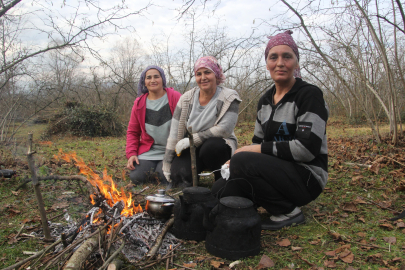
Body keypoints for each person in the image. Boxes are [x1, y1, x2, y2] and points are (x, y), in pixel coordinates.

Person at [212, 30, 329, 230]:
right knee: (219, 189)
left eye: (287, 56)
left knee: (243, 159)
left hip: (307, 177)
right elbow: (258, 143)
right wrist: (240, 160)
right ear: (267, 64)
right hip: (276, 172)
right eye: (273, 57)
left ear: (297, 63)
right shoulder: (265, 100)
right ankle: (252, 204)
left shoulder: (309, 95)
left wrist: (249, 152)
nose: (280, 63)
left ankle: (287, 211)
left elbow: (306, 149)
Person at [162, 56, 241, 187]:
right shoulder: (186, 99)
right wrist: (167, 162)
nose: (203, 77)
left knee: (211, 147)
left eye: (207, 72)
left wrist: (193, 139)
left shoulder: (229, 97)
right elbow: (174, 133)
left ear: (216, 74)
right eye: (199, 74)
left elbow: (224, 129)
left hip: (217, 146)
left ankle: (222, 180)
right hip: (191, 147)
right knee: (180, 177)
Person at [126, 65, 181, 185]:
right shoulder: (139, 103)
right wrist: (132, 154)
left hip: (172, 150)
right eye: (148, 77)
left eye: (156, 76)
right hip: (149, 151)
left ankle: (162, 169)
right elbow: (133, 132)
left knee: (164, 176)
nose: (153, 80)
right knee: (137, 177)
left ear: (163, 79)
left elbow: (185, 124)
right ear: (144, 82)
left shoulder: (175, 97)